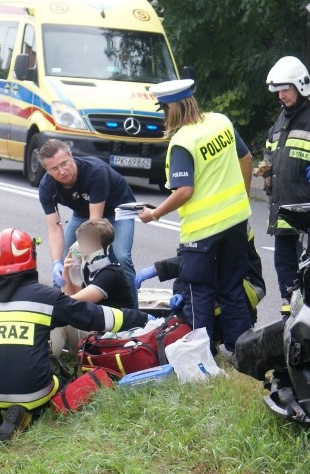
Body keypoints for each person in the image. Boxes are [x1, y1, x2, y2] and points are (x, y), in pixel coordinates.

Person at [0, 228, 151, 440]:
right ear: (31, 258)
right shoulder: (45, 297)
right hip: (35, 392)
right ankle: (29, 411)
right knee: (56, 373)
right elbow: (94, 316)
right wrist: (141, 318)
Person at [138, 79, 253, 354]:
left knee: (198, 291)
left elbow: (185, 191)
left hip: (202, 232)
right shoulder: (220, 122)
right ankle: (244, 352)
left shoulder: (182, 142)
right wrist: (243, 198)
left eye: (164, 110)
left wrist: (154, 214)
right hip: (236, 221)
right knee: (231, 288)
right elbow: (246, 158)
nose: (164, 116)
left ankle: (202, 355)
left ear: (173, 108)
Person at [262, 56, 310, 311]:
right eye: (278, 91)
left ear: (301, 85)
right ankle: (289, 318)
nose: (281, 96)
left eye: (286, 89)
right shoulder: (283, 118)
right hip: (283, 214)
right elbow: (271, 149)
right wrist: (267, 168)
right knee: (285, 273)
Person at [36, 138, 139, 307]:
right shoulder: (46, 186)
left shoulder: (95, 171)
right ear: (46, 169)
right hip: (83, 213)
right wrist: (57, 263)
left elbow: (94, 226)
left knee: (121, 256)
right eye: (54, 168)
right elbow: (54, 229)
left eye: (64, 163)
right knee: (65, 262)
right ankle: (58, 314)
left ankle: (134, 314)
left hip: (118, 211)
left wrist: (78, 253)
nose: (62, 171)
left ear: (71, 155)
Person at [135, 226, 267, 324]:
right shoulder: (196, 217)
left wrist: (157, 269)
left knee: (195, 307)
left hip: (245, 285)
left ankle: (231, 342)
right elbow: (188, 263)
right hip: (221, 279)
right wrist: (179, 292)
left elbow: (202, 262)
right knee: (183, 309)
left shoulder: (221, 220)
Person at [50, 218, 135, 356]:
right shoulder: (91, 269)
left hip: (114, 337)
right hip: (100, 330)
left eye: (81, 241)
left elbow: (71, 303)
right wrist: (67, 269)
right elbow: (71, 297)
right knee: (63, 314)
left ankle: (49, 364)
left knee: (60, 320)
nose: (77, 245)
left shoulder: (111, 273)